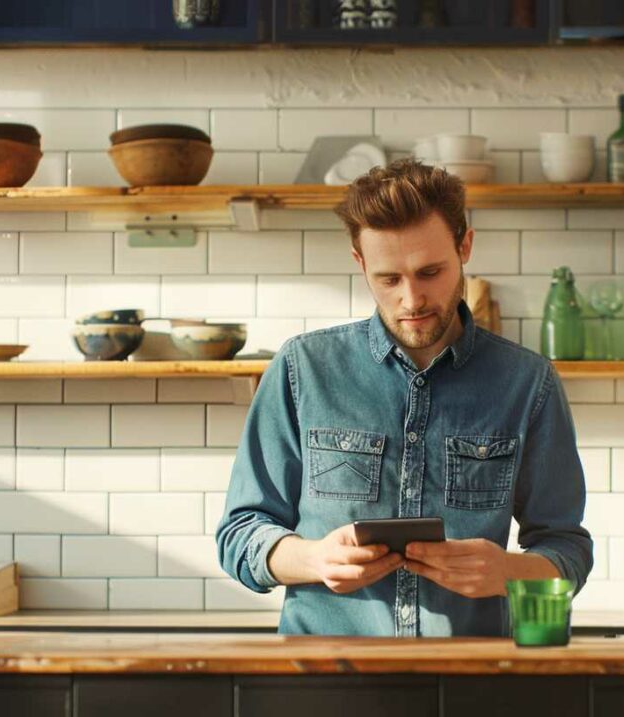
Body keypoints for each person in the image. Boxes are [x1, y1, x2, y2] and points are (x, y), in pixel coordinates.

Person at [216, 159, 592, 637]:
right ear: (360, 263)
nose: (411, 299)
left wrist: (510, 572)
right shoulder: (301, 370)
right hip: (324, 681)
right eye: (389, 279)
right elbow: (240, 533)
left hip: (470, 683)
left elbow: (567, 547)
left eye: (430, 271)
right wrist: (313, 558)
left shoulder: (528, 383)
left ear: (465, 246)